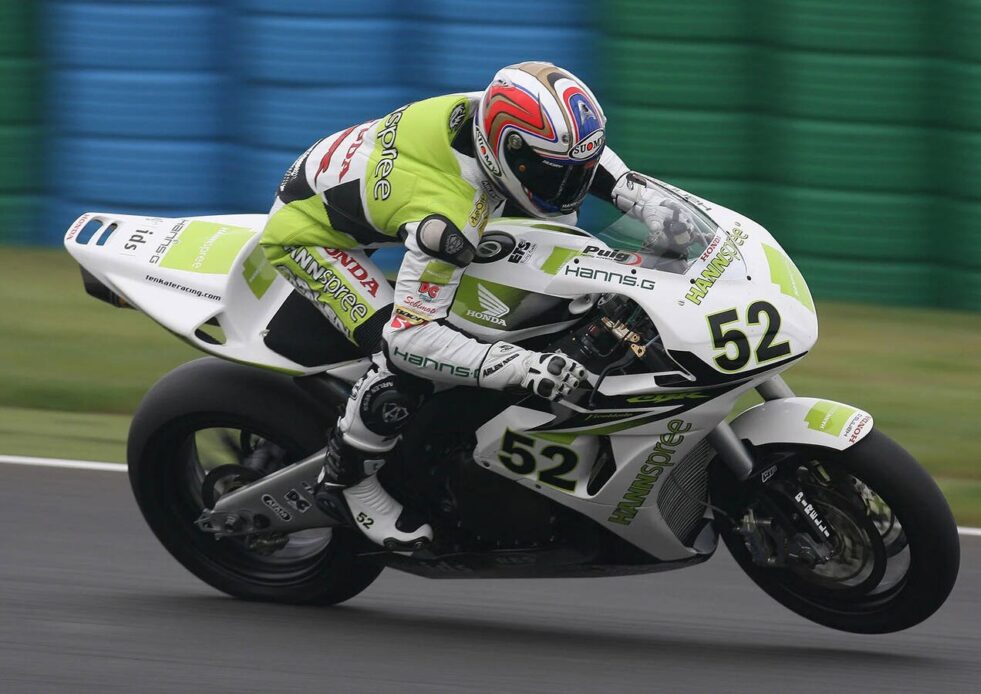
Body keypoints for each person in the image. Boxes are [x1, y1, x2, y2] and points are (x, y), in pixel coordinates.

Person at [260, 61, 690, 550]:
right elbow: (409, 339)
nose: (569, 190)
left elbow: (573, 155)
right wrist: (523, 367)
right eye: (554, 175)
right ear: (508, 152)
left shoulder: (497, 115)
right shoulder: (449, 220)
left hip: (367, 181)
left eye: (577, 174)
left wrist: (640, 198)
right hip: (310, 237)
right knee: (399, 365)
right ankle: (346, 483)